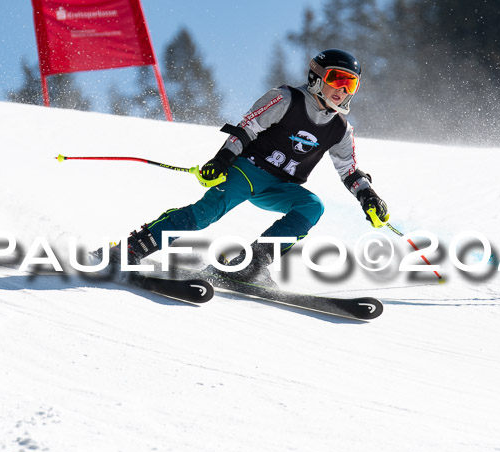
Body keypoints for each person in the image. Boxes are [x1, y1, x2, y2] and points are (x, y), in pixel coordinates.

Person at [97, 48, 389, 286]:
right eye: (336, 78)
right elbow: (246, 129)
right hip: (246, 171)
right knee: (204, 215)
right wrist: (222, 159)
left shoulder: (341, 130)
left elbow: (349, 170)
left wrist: (368, 196)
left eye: (350, 83)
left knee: (312, 206)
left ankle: (252, 262)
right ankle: (129, 250)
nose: (342, 89)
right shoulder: (285, 99)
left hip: (280, 187)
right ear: (315, 77)